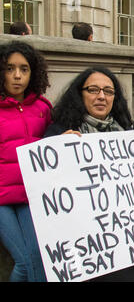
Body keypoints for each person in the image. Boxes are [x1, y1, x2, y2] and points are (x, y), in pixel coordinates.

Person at [43, 66, 134, 282]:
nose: (101, 96)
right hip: (82, 241)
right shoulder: (59, 131)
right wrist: (56, 149)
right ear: (80, 94)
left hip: (122, 237)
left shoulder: (126, 131)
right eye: (93, 90)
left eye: (108, 91)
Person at [0, 41, 51, 281]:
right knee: (24, 260)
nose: (17, 76)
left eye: (24, 68)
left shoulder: (43, 107)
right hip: (1, 201)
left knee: (39, 256)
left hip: (30, 196)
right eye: (10, 68)